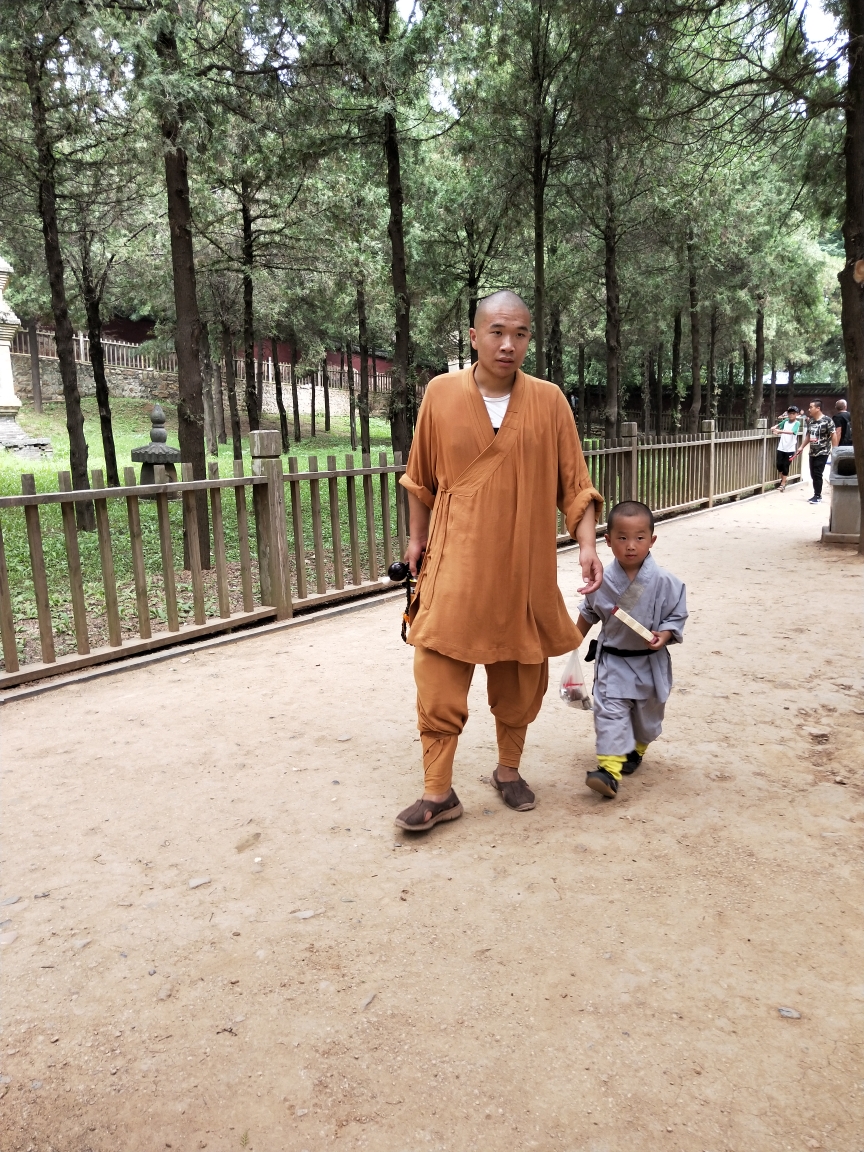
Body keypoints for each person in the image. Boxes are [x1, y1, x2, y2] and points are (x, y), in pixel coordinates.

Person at [394, 290, 604, 831]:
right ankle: (438, 793)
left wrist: (586, 545)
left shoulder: (550, 401)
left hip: (521, 569)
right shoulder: (439, 395)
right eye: (497, 332)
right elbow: (420, 478)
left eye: (520, 334)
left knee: (519, 675)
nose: (508, 345)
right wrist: (416, 541)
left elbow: (575, 486)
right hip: (453, 567)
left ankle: (508, 771)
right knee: (437, 670)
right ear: (473, 335)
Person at [575, 501, 687, 799]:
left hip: (650, 663)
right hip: (614, 660)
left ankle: (637, 747)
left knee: (646, 719)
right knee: (609, 713)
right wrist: (573, 638)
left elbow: (677, 615)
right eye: (622, 538)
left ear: (652, 540)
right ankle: (608, 772)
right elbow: (589, 612)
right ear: (608, 540)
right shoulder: (600, 582)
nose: (630, 546)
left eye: (639, 537)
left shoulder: (667, 582)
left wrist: (665, 633)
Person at [792, 399, 835, 504]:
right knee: (813, 473)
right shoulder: (810, 421)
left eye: (811, 407)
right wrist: (801, 447)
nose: (809, 409)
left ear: (818, 408)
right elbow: (808, 435)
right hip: (812, 451)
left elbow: (833, 434)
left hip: (823, 451)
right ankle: (816, 494)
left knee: (817, 473)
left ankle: (818, 496)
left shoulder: (827, 420)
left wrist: (836, 450)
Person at [770, 405, 802, 491]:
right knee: (779, 465)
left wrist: (780, 431)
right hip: (781, 447)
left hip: (790, 449)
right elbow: (778, 425)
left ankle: (783, 484)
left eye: (793, 413)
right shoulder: (786, 421)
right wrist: (774, 428)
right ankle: (783, 479)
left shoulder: (797, 423)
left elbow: (792, 432)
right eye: (790, 413)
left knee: (785, 466)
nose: (791, 415)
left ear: (797, 414)